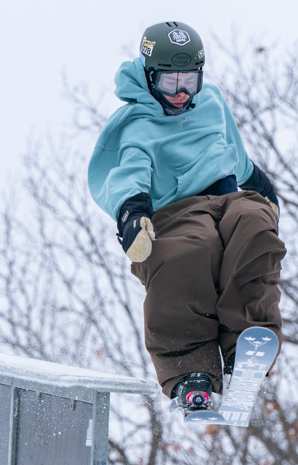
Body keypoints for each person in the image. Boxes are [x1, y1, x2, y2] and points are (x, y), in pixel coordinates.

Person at [88, 21, 286, 413]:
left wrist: (260, 186)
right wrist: (131, 212)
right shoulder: (137, 123)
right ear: (150, 77)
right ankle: (190, 367)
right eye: (169, 82)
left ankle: (247, 342)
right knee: (188, 253)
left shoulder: (210, 100)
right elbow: (129, 171)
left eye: (189, 81)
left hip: (228, 197)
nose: (180, 93)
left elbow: (233, 149)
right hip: (177, 211)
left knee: (254, 225)